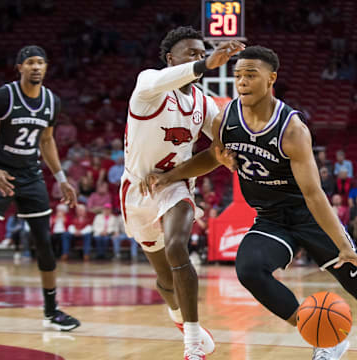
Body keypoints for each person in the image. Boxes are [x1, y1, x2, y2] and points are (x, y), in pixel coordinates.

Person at [143, 45, 357, 360]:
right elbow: (211, 157)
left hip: (307, 214)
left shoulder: (292, 129)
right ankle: (325, 337)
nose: (242, 81)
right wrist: (170, 176)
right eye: (238, 75)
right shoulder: (226, 118)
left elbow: (314, 194)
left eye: (251, 75)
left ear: (271, 79)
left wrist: (344, 245)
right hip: (271, 219)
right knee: (249, 270)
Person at [120, 26, 245, 360]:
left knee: (177, 246)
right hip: (137, 190)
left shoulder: (204, 104)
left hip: (174, 184)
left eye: (201, 52)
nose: (198, 57)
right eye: (191, 52)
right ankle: (178, 317)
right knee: (164, 280)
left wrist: (230, 153)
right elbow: (178, 73)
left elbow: (221, 145)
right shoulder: (148, 85)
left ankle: (192, 344)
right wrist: (207, 63)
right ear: (169, 59)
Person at [0, 45, 80, 331]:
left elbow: (46, 141)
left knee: (44, 244)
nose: (36, 67)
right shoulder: (4, 96)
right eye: (30, 62)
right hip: (0, 173)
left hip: (31, 175)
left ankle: (51, 311)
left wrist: (61, 178)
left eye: (40, 63)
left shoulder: (51, 102)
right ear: (19, 67)